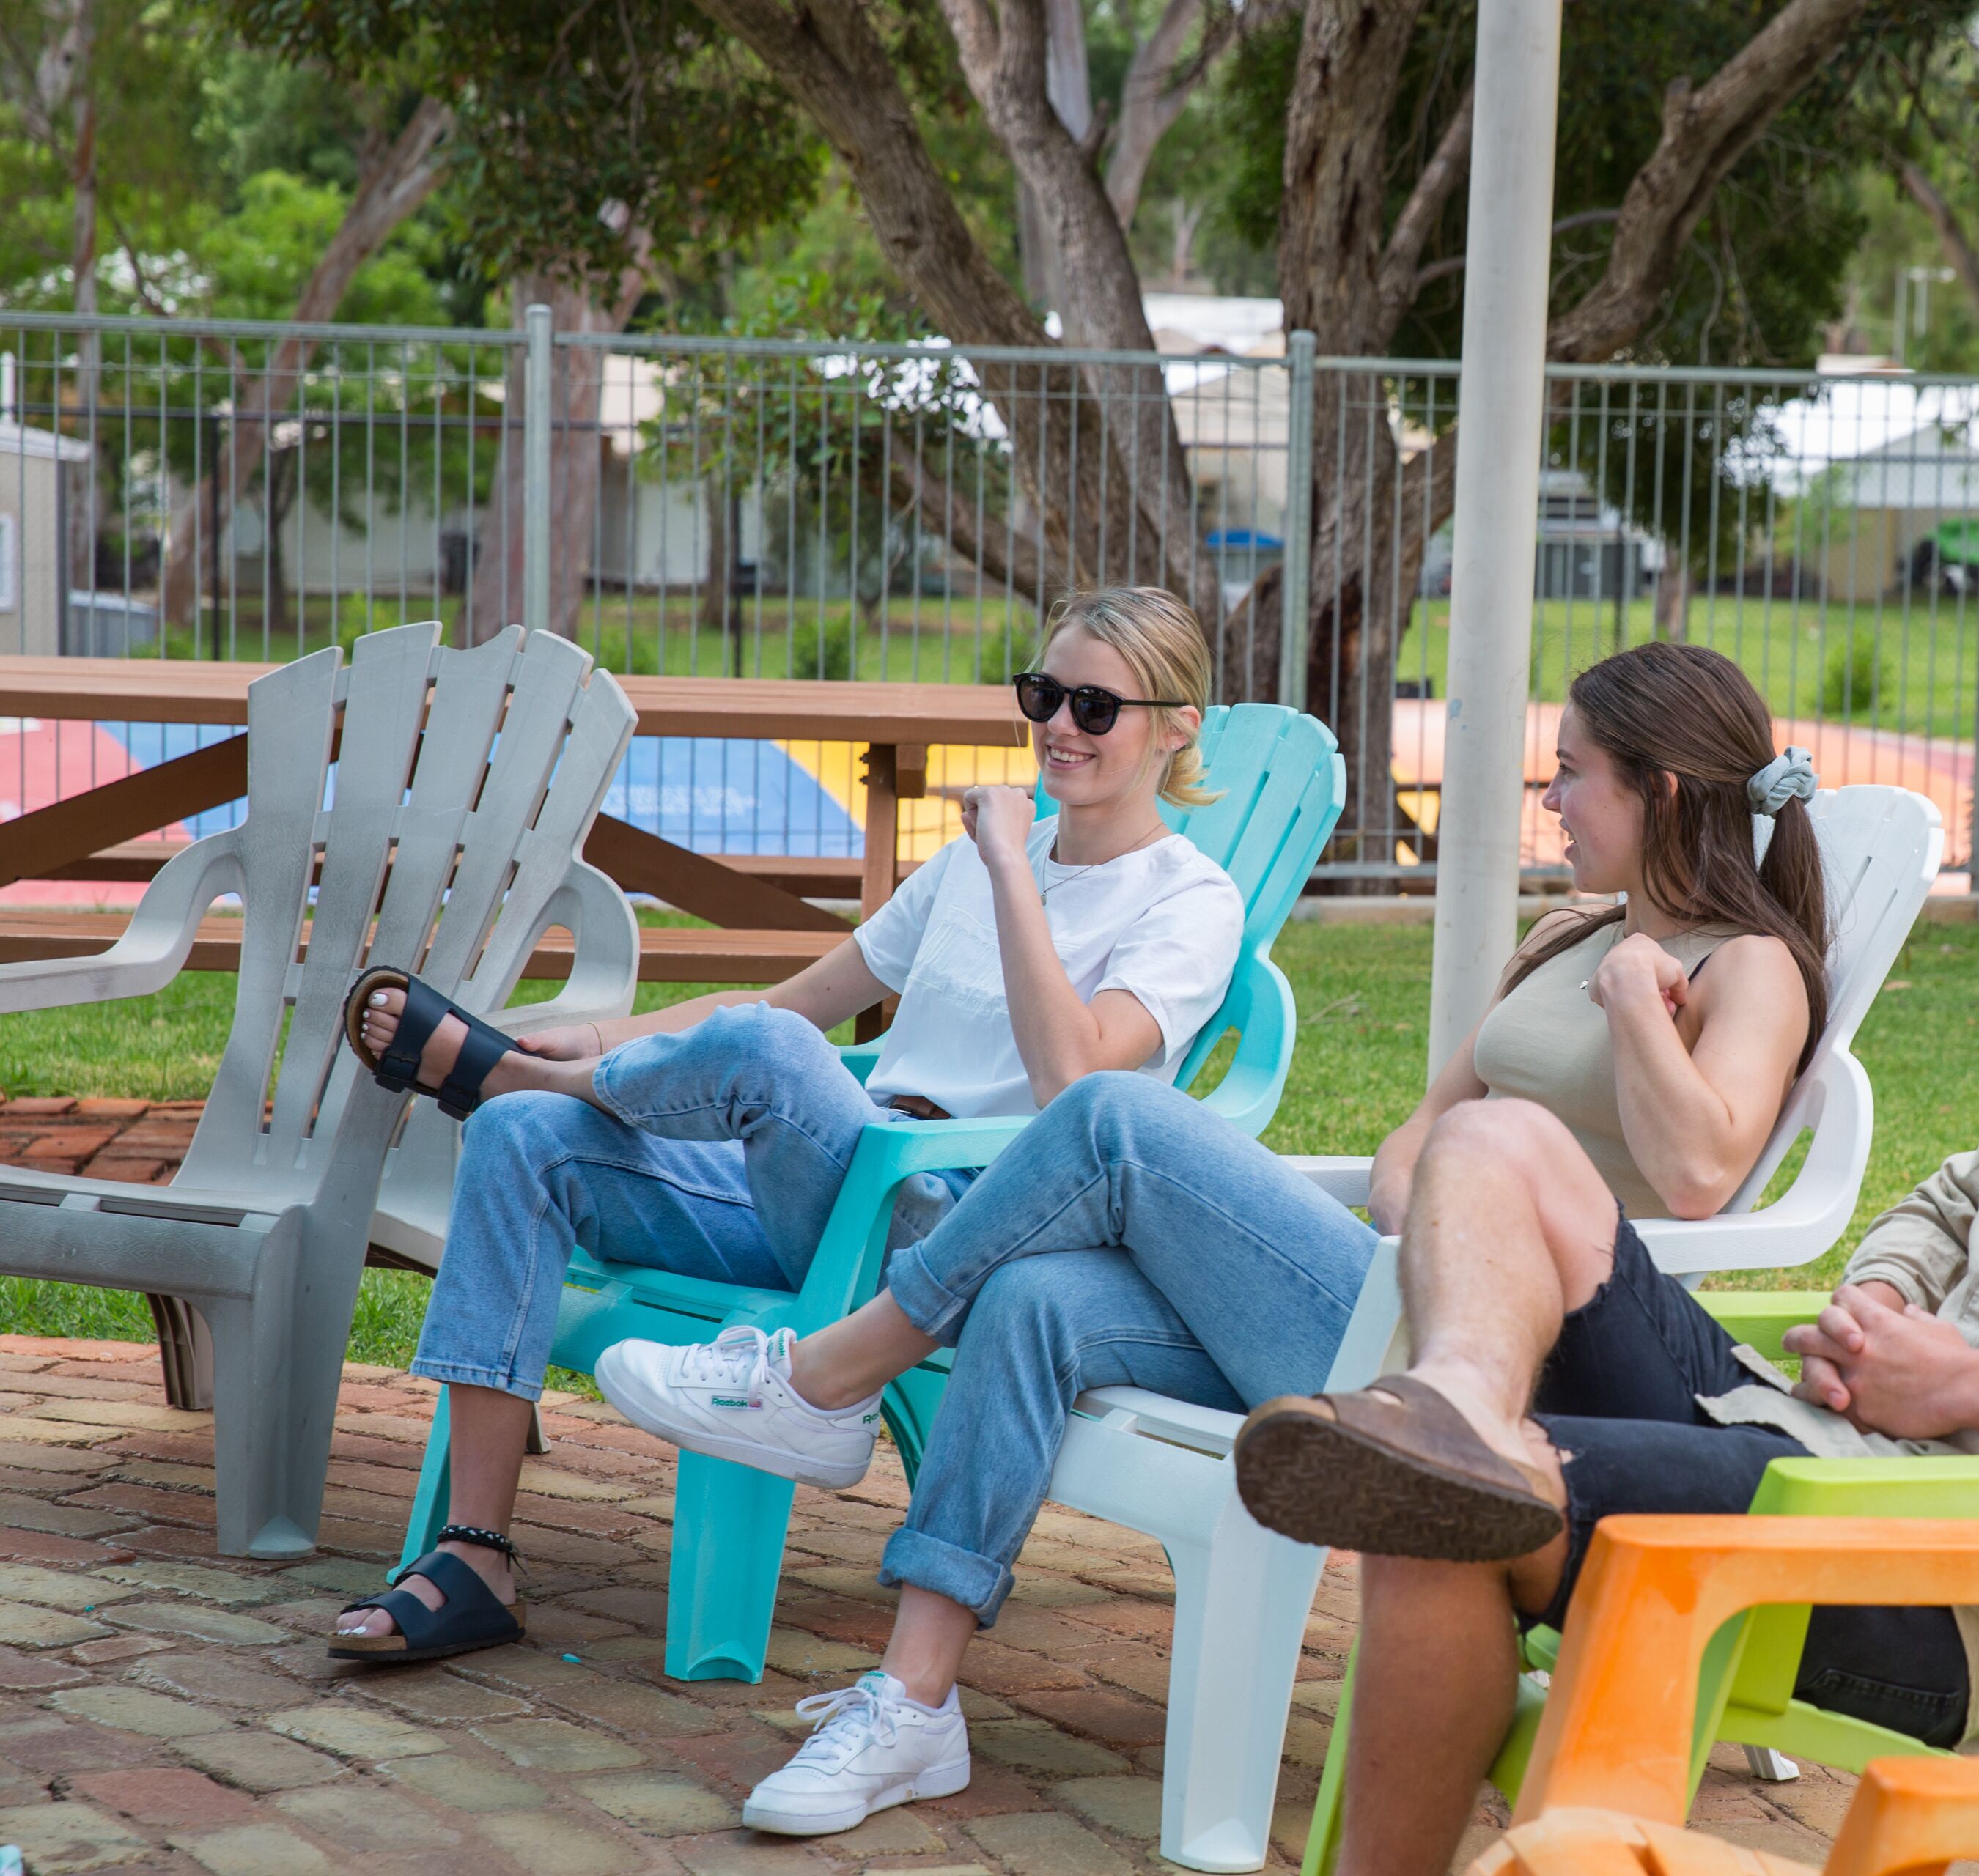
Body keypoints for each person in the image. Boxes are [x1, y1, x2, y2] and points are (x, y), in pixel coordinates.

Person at [1228, 653, 1979, 1876]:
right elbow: (1950, 1199)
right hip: (1821, 1443)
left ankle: (1460, 1466)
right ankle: (1454, 1405)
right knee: (1498, 1136)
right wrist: (1879, 1299)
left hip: (1936, 1576)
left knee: (1449, 1514)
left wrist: (1971, 1386)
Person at [593, 640, 1834, 1838]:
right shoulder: (1572, 936)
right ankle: (913, 1703)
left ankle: (824, 1377)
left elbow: (1703, 1174)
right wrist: (1431, 1214)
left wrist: (1635, 1012)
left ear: (1660, 793)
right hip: (1388, 1300)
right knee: (1035, 1295)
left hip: (1500, 1378)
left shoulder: (1744, 966)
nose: (1550, 799)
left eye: (1569, 772)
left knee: (1115, 1116)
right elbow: (1418, 1139)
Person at [328, 586, 1245, 1677]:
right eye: (1045, 693)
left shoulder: (1190, 902)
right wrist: (601, 1035)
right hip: (817, 1183)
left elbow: (1076, 1078)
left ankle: (503, 1073)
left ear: (1177, 725)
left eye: (1096, 706)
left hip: (945, 1234)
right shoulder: (963, 866)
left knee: (753, 1065)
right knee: (523, 1133)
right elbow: (804, 1000)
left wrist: (1013, 869)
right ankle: (474, 1558)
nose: (1058, 726)